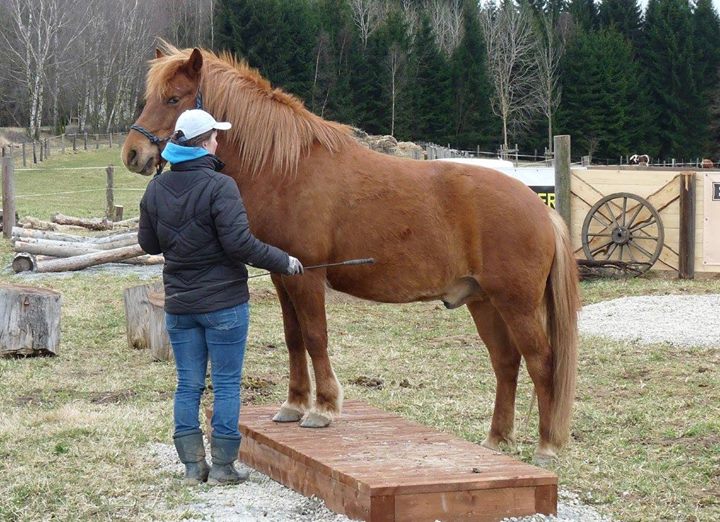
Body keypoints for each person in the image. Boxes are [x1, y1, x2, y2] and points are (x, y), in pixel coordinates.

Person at [138, 109, 304, 486]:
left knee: (188, 384)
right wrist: (285, 261)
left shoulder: (156, 188)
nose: (218, 141)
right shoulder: (220, 186)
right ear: (203, 143)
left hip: (180, 306)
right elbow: (240, 243)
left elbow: (148, 242)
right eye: (214, 136)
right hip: (224, 305)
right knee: (227, 383)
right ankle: (225, 467)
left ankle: (193, 467)